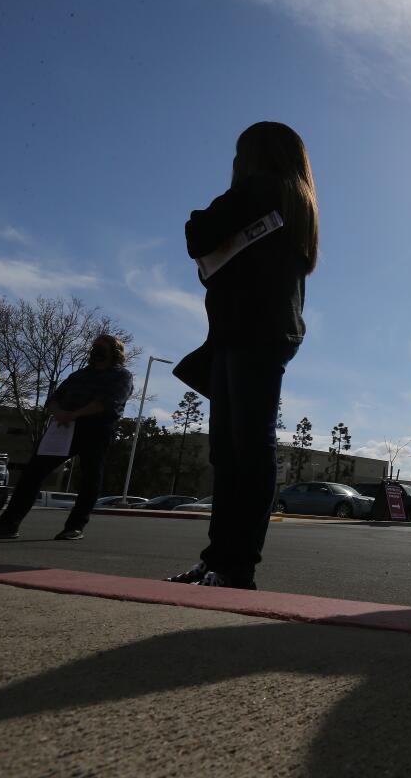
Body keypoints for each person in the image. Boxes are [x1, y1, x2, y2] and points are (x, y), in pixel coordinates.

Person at [166, 121, 317, 590]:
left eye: (238, 152)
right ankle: (223, 561)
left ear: (253, 155)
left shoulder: (261, 188)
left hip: (248, 330)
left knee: (242, 450)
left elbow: (198, 232)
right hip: (261, 330)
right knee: (240, 448)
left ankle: (233, 564)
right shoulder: (295, 200)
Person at [0, 335, 134, 541]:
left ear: (114, 352)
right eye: (93, 347)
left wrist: (74, 414)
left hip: (96, 430)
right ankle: (8, 525)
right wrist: (59, 412)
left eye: (101, 347)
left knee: (90, 479)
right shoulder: (79, 375)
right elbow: (54, 398)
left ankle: (74, 527)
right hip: (63, 428)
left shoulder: (121, 376)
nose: (95, 350)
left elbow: (109, 403)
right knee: (32, 473)